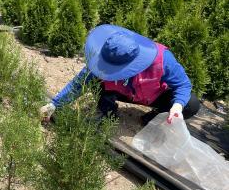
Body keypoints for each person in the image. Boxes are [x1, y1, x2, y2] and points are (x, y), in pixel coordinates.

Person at [40, 25, 200, 125]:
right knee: (95, 81)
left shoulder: (163, 60)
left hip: (153, 95)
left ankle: (156, 118)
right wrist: (54, 104)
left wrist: (177, 106)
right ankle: (107, 112)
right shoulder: (103, 57)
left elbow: (183, 84)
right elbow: (80, 83)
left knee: (191, 104)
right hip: (122, 92)